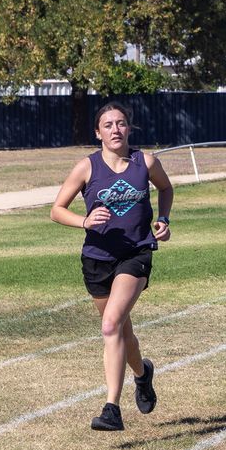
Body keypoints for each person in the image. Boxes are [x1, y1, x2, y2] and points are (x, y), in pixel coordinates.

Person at [51, 101, 174, 431]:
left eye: (121, 123)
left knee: (109, 326)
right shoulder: (86, 167)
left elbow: (165, 187)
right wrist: (84, 221)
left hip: (135, 254)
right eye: (108, 125)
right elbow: (56, 210)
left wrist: (163, 219)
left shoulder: (145, 162)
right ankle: (142, 374)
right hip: (97, 258)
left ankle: (111, 409)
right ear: (98, 133)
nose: (115, 129)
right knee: (121, 330)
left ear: (129, 128)